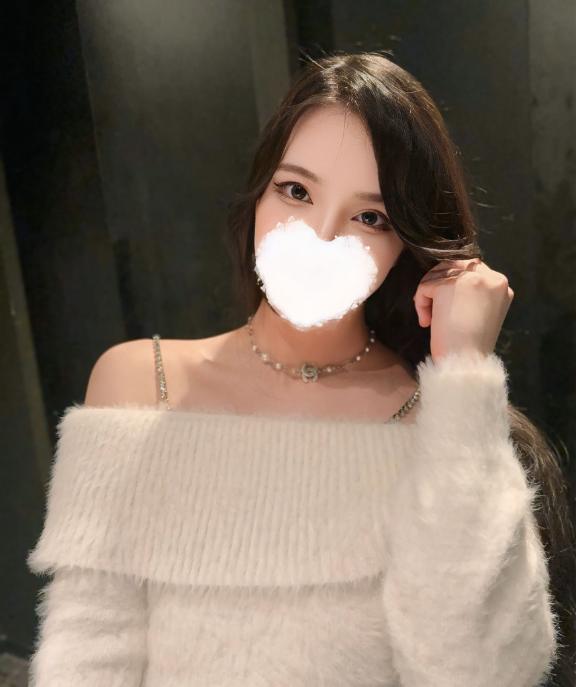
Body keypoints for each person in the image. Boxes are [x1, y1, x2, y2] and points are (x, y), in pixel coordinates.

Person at [26, 51, 571, 687]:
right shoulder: (140, 381)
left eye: (370, 217)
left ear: (406, 243)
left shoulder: (439, 422)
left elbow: (477, 671)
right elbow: (88, 646)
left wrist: (466, 372)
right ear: (259, 194)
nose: (321, 235)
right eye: (296, 191)